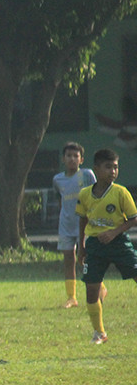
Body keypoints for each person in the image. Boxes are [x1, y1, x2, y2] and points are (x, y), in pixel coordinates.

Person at [76, 148, 137, 345]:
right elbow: (83, 220)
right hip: (95, 245)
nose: (113, 171)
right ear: (97, 168)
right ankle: (99, 332)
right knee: (91, 289)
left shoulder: (121, 192)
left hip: (119, 243)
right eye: (108, 167)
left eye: (115, 167)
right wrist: (82, 246)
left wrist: (113, 232)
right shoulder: (85, 194)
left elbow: (133, 219)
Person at [52, 142, 97, 308]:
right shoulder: (57, 179)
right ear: (63, 159)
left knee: (86, 258)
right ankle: (71, 297)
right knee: (68, 258)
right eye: (68, 156)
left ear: (81, 159)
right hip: (66, 224)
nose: (72, 159)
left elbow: (95, 196)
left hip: (85, 223)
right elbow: (60, 199)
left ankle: (99, 288)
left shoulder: (87, 175)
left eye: (75, 156)